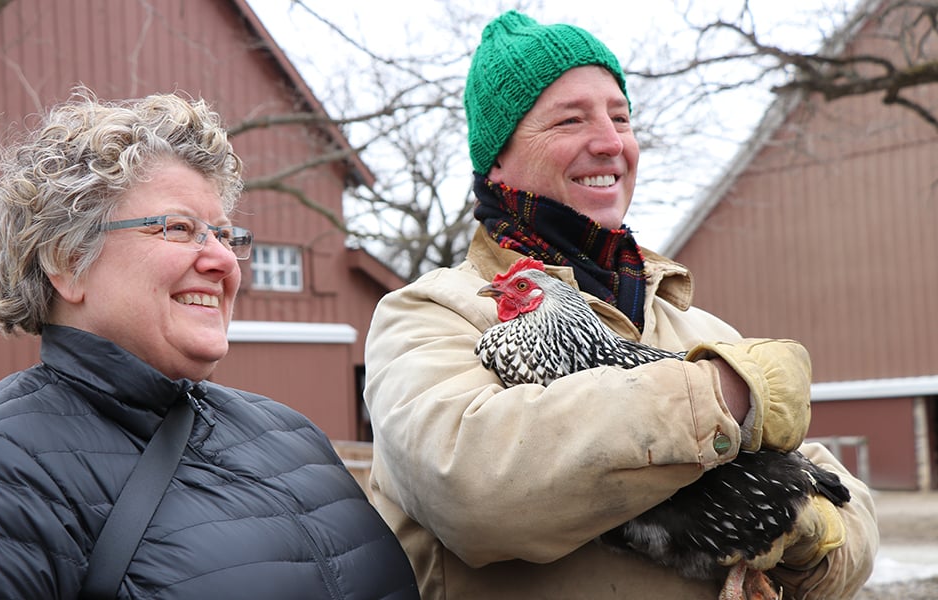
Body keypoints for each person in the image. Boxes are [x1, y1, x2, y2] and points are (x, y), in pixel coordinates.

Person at [363, 10, 878, 600]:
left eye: (621, 117)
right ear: (497, 156)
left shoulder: (696, 326)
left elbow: (836, 488)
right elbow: (468, 485)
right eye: (570, 119)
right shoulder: (429, 314)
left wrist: (819, 545)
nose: (610, 142)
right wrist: (716, 397)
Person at [0, 90, 419, 599]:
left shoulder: (292, 434)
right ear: (66, 259)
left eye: (225, 235)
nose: (223, 262)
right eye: (179, 228)